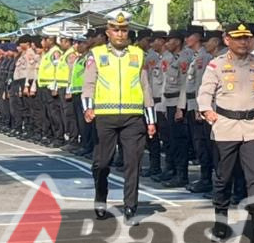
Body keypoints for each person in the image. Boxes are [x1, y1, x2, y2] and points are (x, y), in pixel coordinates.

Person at [199, 22, 254, 243]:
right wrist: (206, 109)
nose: (243, 42)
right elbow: (205, 91)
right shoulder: (217, 65)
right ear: (227, 40)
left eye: (247, 38)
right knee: (224, 177)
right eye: (238, 38)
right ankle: (221, 221)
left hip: (252, 126)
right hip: (225, 125)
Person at [81, 14, 156, 222]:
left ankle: (130, 204)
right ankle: (100, 197)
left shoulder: (138, 54)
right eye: (116, 30)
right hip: (105, 116)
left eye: (123, 30)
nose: (120, 34)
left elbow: (145, 87)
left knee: (133, 162)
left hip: (133, 117)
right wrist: (88, 108)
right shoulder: (95, 54)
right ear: (108, 32)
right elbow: (89, 85)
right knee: (102, 163)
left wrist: (150, 119)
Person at [157, 31, 191, 188]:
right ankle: (172, 170)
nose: (167, 43)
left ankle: (181, 174)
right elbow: (165, 84)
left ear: (178, 41)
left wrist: (180, 107)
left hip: (178, 103)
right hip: (169, 102)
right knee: (171, 140)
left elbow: (185, 84)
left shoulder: (184, 58)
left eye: (170, 40)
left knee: (179, 142)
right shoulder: (172, 59)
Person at [186, 27, 216, 193]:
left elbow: (203, 85)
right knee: (199, 144)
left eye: (189, 36)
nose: (186, 40)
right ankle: (206, 178)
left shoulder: (204, 57)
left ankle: (207, 179)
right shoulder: (197, 57)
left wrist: (201, 108)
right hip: (193, 104)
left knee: (204, 144)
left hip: (200, 106)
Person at [145, 31, 167, 178]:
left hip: (163, 102)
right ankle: (155, 166)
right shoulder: (156, 57)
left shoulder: (168, 59)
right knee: (152, 138)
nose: (151, 44)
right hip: (153, 101)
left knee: (166, 138)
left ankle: (167, 169)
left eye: (154, 41)